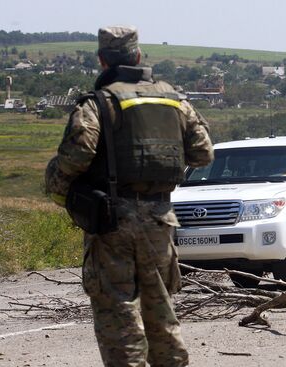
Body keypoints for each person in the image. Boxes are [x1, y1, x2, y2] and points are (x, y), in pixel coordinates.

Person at [45, 25, 214, 366]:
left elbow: (76, 156)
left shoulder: (99, 103)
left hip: (112, 222)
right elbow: (203, 153)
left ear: (102, 59)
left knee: (118, 312)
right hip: (159, 219)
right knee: (161, 311)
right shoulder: (174, 99)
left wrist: (60, 187)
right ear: (138, 56)